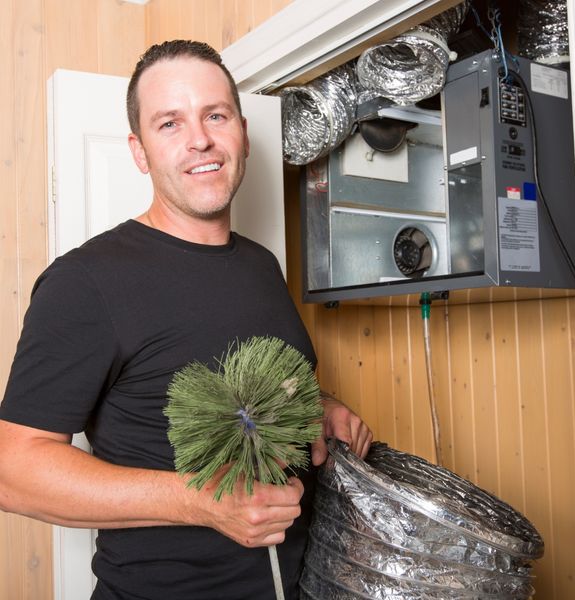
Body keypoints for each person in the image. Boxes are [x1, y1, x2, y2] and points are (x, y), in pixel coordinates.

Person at [0, 40, 372, 599]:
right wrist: (202, 501)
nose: (200, 138)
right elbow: (15, 470)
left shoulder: (260, 264)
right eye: (169, 123)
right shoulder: (86, 281)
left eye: (215, 115)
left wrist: (319, 409)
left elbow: (254, 390)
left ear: (242, 132)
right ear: (139, 151)